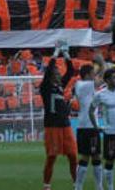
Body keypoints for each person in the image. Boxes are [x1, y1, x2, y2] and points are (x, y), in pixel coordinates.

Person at [40, 44, 78, 190]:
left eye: (57, 72)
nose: (57, 73)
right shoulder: (45, 88)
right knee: (51, 157)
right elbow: (49, 69)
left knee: (73, 156)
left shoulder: (60, 86)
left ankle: (76, 184)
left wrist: (66, 53)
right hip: (52, 126)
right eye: (55, 72)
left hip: (65, 125)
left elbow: (71, 71)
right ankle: (47, 186)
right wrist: (56, 53)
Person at [74, 64, 103, 190]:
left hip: (88, 125)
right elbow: (101, 79)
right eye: (92, 74)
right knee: (86, 156)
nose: (94, 77)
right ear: (87, 75)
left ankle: (98, 186)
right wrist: (101, 63)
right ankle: (79, 186)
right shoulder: (84, 85)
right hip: (87, 126)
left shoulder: (82, 85)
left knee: (96, 156)